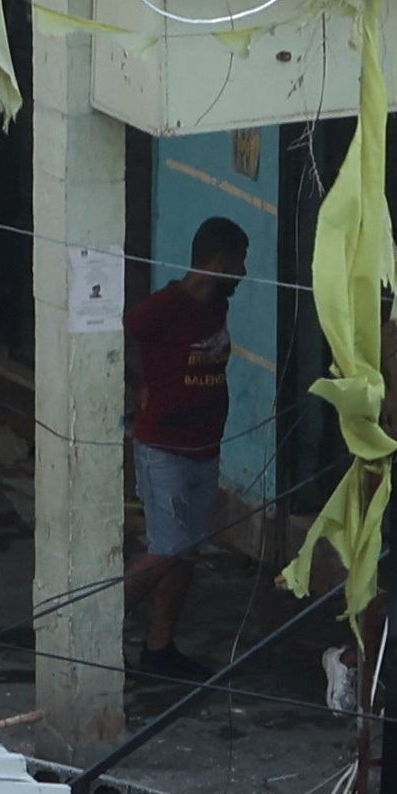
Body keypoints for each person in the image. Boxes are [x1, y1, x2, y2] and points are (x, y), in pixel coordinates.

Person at [124, 219, 243, 684]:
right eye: (239, 262)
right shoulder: (165, 306)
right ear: (220, 262)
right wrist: (139, 383)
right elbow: (121, 333)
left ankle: (160, 648)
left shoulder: (217, 305)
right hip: (164, 448)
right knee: (168, 549)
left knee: (186, 551)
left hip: (204, 447)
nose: (244, 273)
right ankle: (88, 631)